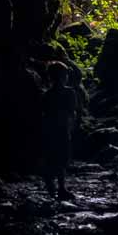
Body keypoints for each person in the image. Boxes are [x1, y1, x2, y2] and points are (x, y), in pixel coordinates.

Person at [40, 61, 77, 200]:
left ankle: (52, 188)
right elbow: (72, 112)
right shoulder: (69, 92)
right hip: (62, 128)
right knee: (61, 159)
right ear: (63, 76)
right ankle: (60, 188)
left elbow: (43, 113)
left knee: (51, 158)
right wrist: (71, 126)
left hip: (49, 129)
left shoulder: (47, 94)